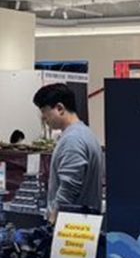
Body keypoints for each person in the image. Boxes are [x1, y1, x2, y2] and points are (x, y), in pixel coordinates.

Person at [33, 83, 104, 223]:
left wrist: (52, 221)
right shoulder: (85, 134)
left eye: (44, 111)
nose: (43, 118)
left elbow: (68, 188)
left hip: (71, 228)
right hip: (83, 225)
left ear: (60, 108)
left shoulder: (73, 139)